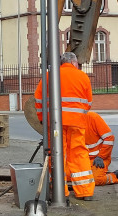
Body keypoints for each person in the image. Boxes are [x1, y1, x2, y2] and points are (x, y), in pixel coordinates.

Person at [35, 52, 95, 200]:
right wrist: (79, 115)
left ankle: (60, 192)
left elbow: (38, 98)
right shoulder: (83, 77)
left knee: (57, 154)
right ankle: (85, 191)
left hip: (56, 123)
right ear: (74, 63)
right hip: (77, 123)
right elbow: (88, 103)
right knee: (79, 153)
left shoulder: (50, 75)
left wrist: (43, 119)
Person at [85, 110, 118, 186]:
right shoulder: (70, 120)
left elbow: (109, 138)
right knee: (66, 176)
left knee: (97, 180)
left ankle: (114, 176)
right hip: (81, 159)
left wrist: (101, 156)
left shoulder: (92, 117)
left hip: (98, 158)